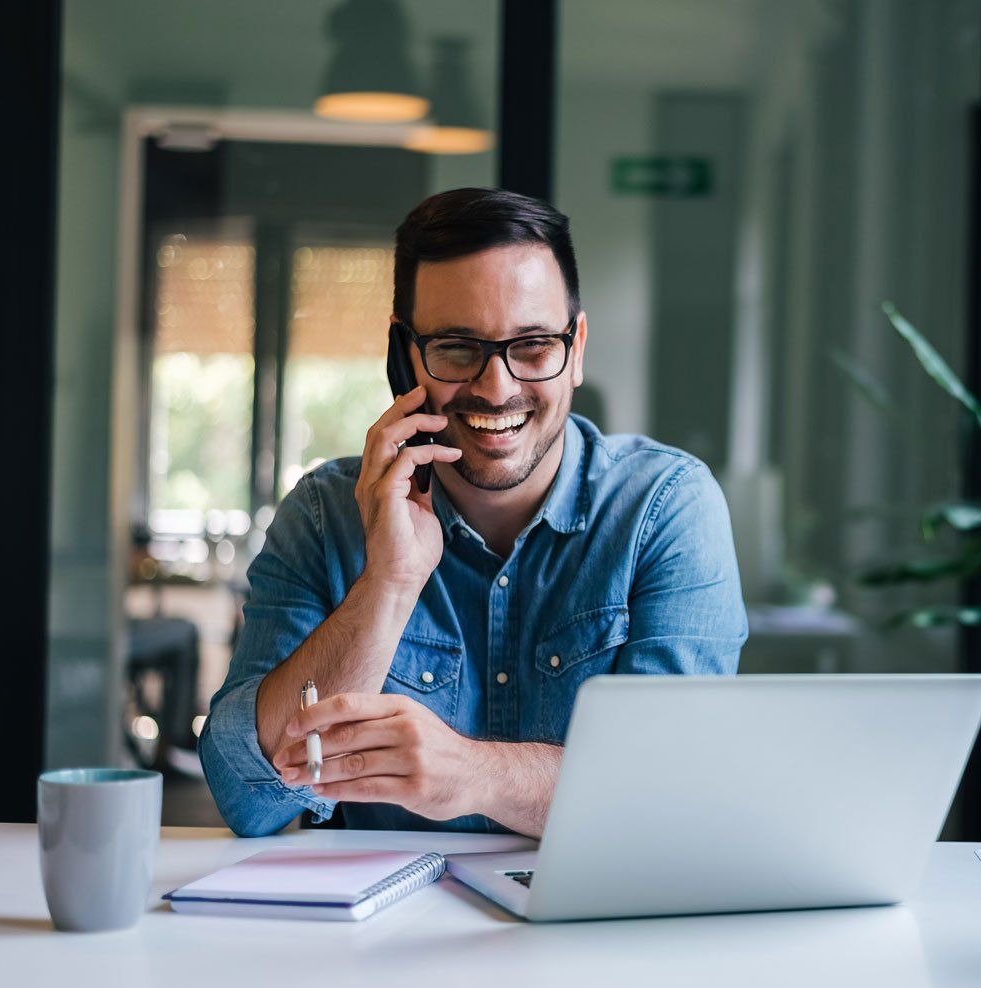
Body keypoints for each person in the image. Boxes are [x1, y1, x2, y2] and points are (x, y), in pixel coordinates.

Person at [199, 188, 748, 838]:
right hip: (381, 934)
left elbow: (673, 795)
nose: (497, 387)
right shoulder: (324, 514)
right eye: (458, 348)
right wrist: (389, 585)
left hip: (593, 931)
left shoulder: (665, 508)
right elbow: (248, 798)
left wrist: (471, 773)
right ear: (406, 356)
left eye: (534, 345)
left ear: (577, 348)